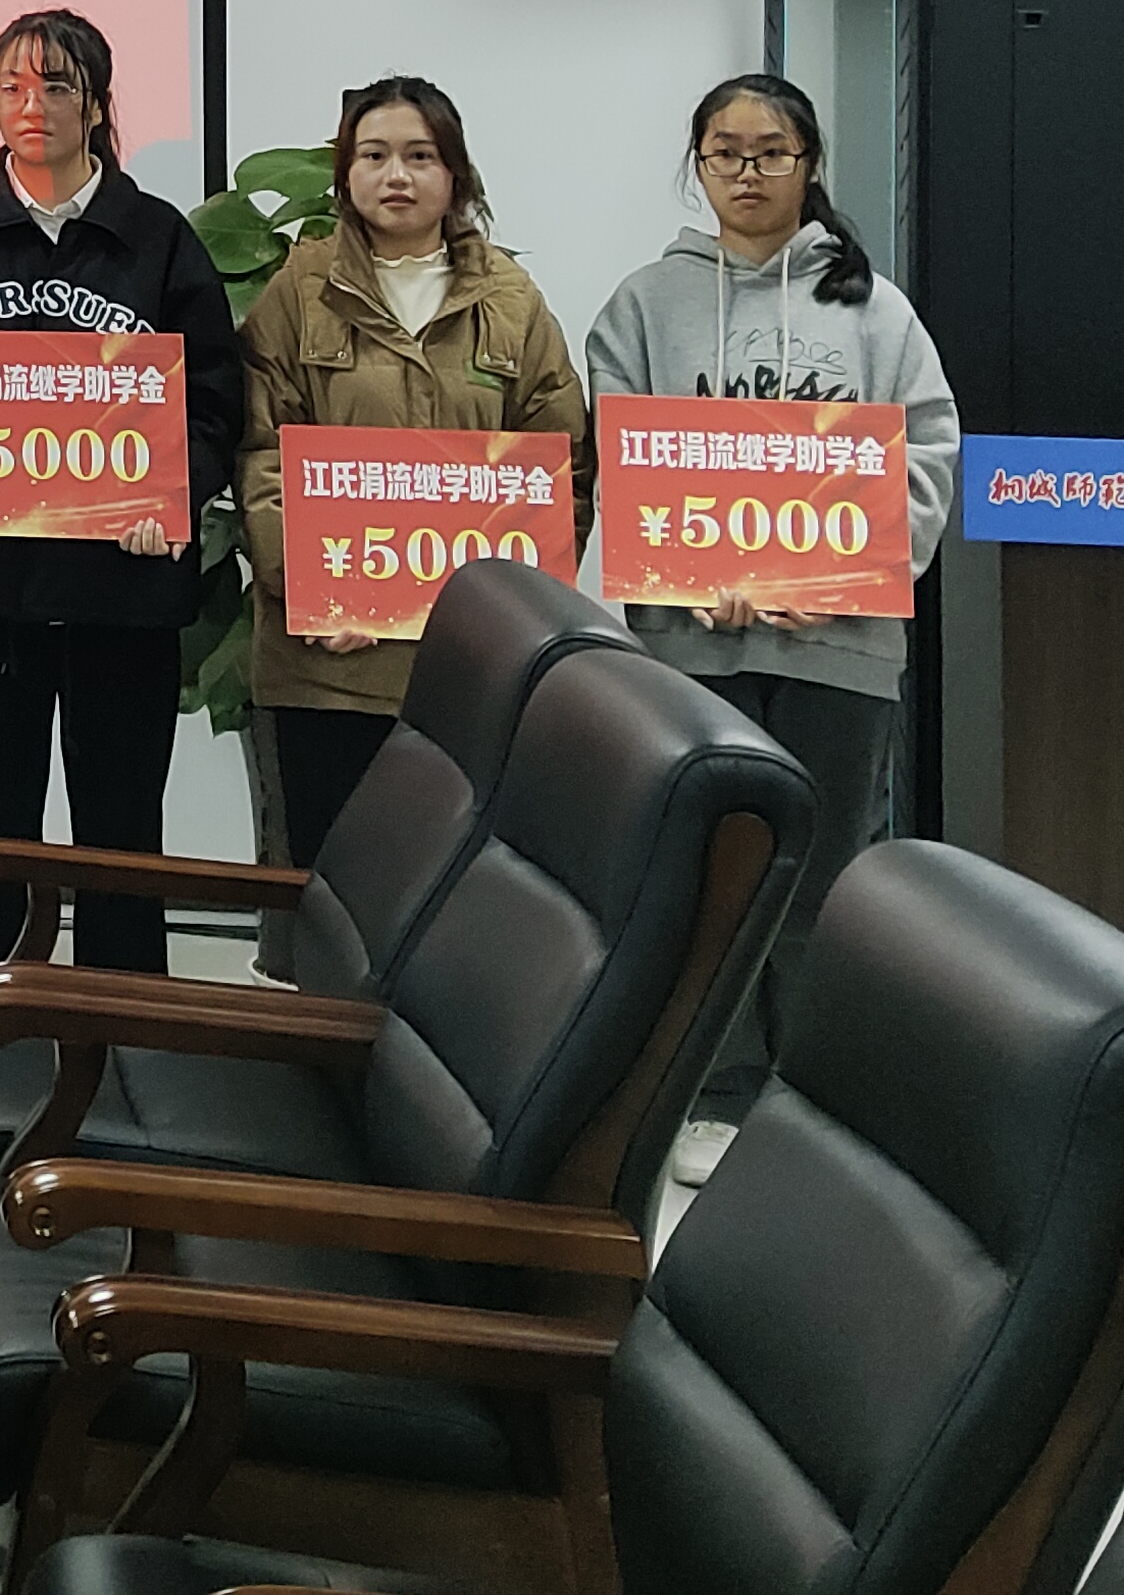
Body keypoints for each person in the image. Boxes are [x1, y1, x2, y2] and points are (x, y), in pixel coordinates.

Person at [581, 69, 962, 1184]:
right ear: (697, 166)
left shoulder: (876, 310)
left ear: (809, 165)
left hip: (840, 648)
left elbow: (930, 456)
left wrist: (835, 578)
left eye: (771, 154)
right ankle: (714, 1088)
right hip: (688, 646)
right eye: (725, 154)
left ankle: (817, 1103)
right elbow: (622, 459)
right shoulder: (643, 306)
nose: (747, 174)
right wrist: (687, 575)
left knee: (825, 880)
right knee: (709, 870)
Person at [0, 7, 241, 980]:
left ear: (99, 106)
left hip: (125, 593)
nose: (32, 106)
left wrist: (173, 497)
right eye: (11, 88)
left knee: (122, 833)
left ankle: (126, 1027)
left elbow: (212, 398)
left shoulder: (159, 239)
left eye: (58, 86)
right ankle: (1, 1020)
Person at [236, 77, 590, 869]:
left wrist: (509, 620)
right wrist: (316, 587)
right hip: (326, 665)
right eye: (374, 156)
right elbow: (261, 452)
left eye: (420, 156)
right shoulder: (298, 294)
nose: (396, 175)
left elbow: (561, 470)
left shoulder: (512, 302)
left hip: (471, 671)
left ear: (456, 174)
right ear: (346, 173)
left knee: (457, 889)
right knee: (327, 887)